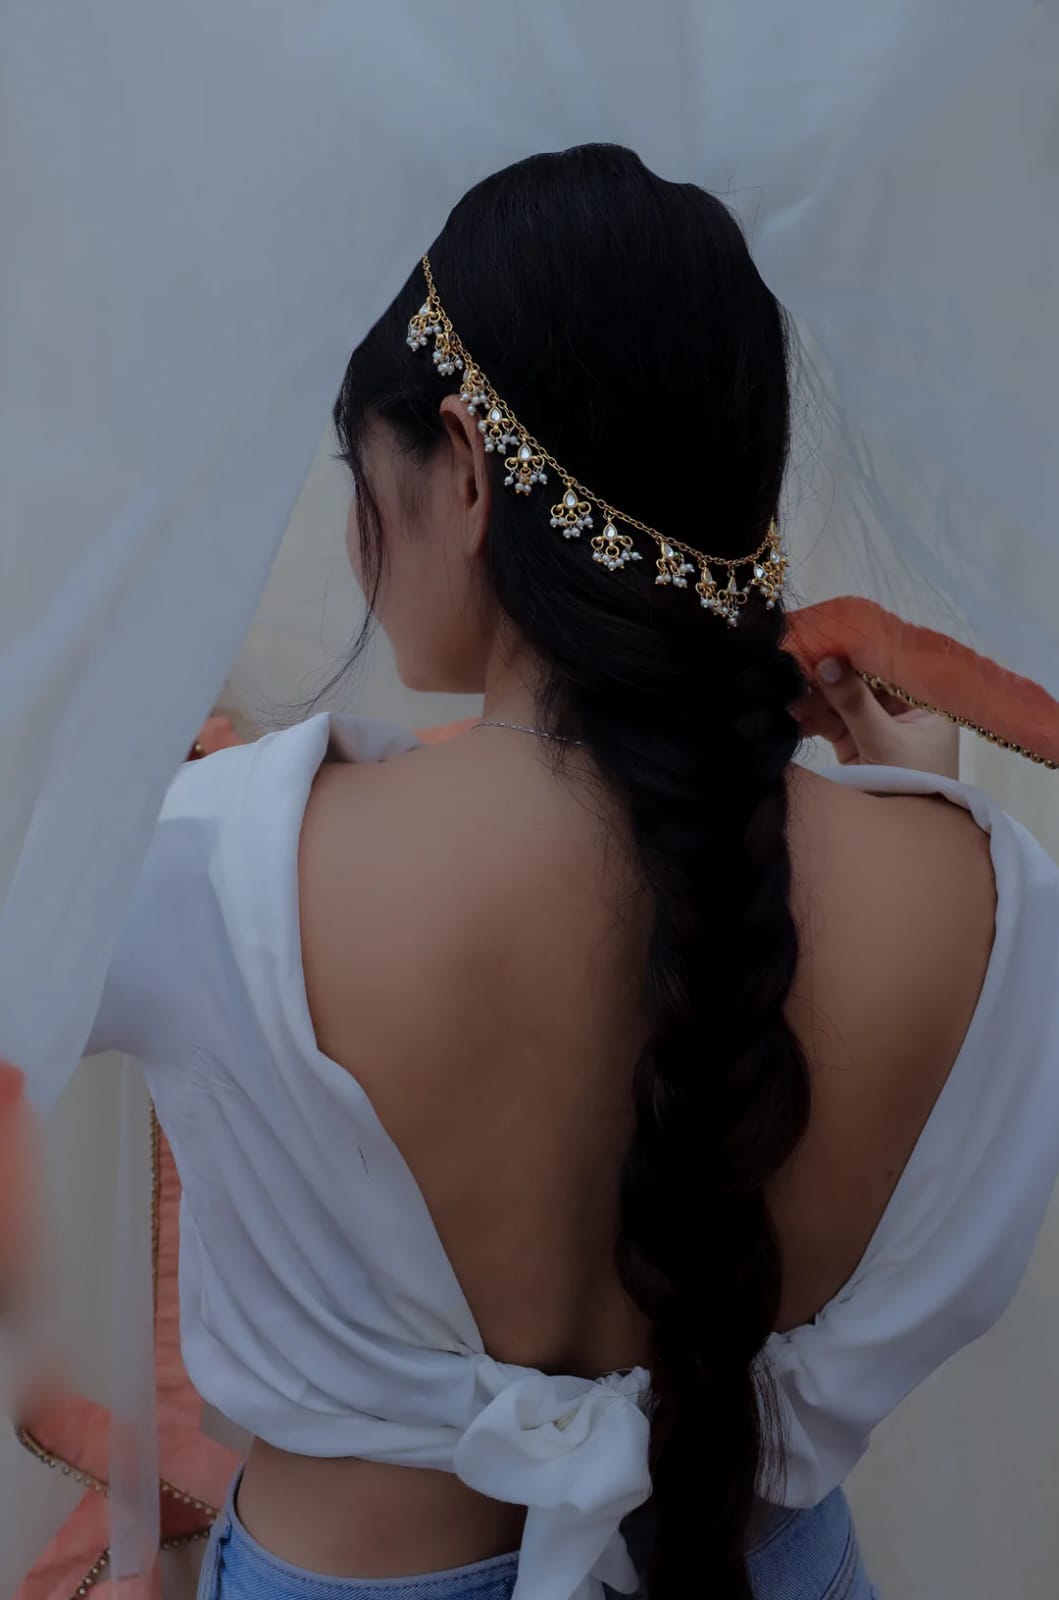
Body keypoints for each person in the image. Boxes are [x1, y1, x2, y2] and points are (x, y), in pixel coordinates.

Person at [82, 147, 1059, 1600]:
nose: (358, 537)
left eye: (363, 475)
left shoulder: (218, 862)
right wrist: (918, 801)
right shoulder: (985, 899)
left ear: (466, 467)